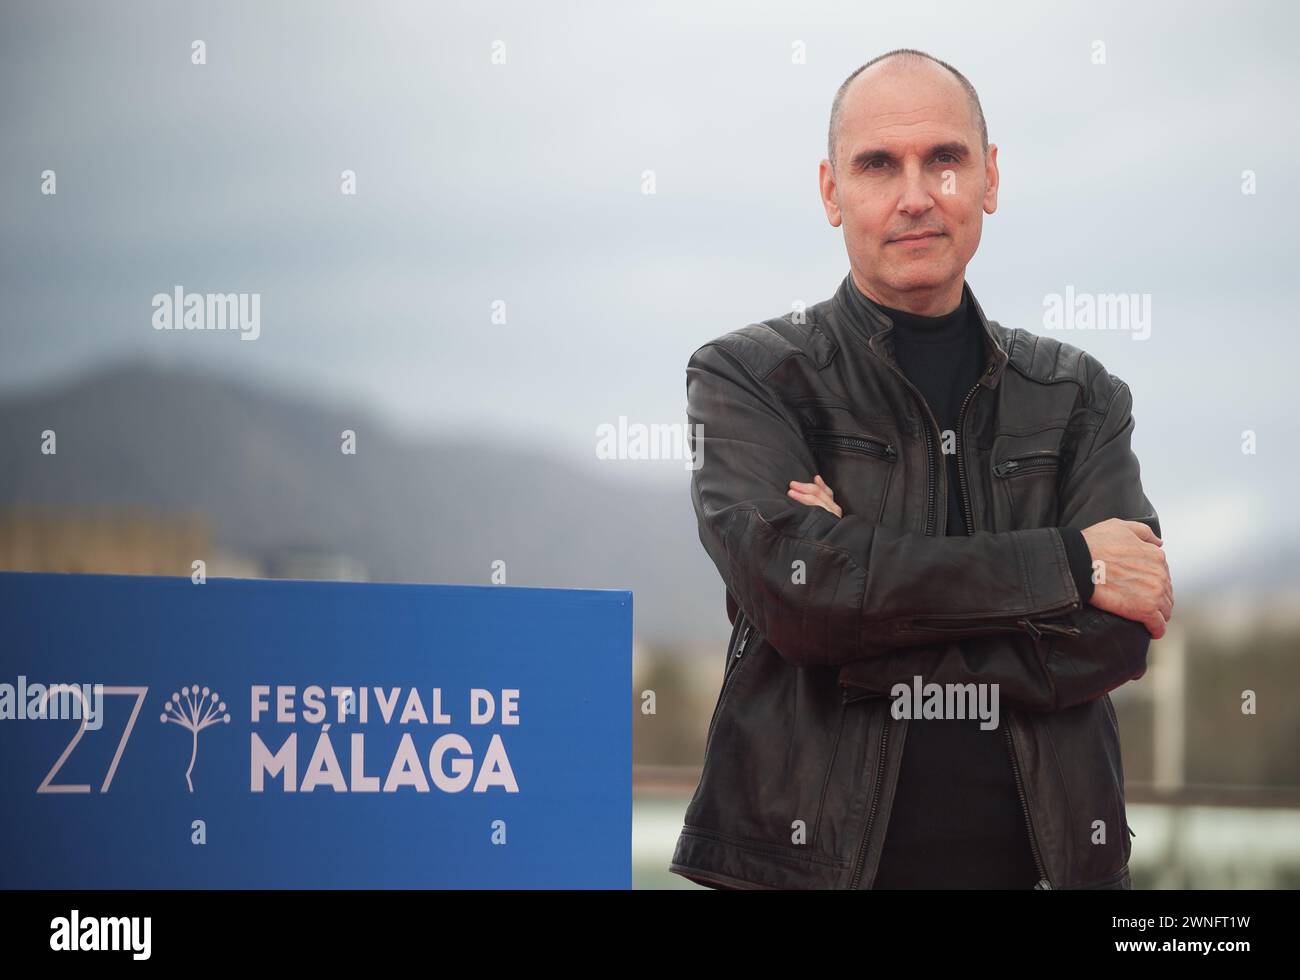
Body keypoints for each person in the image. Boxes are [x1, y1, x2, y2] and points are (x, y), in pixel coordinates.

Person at [670, 48, 1173, 890]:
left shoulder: (1081, 395)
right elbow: (798, 598)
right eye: (878, 164)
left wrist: (857, 627)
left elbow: (1115, 638)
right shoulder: (747, 378)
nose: (915, 195)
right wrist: (1071, 565)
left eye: (944, 159)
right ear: (832, 192)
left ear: (990, 179)